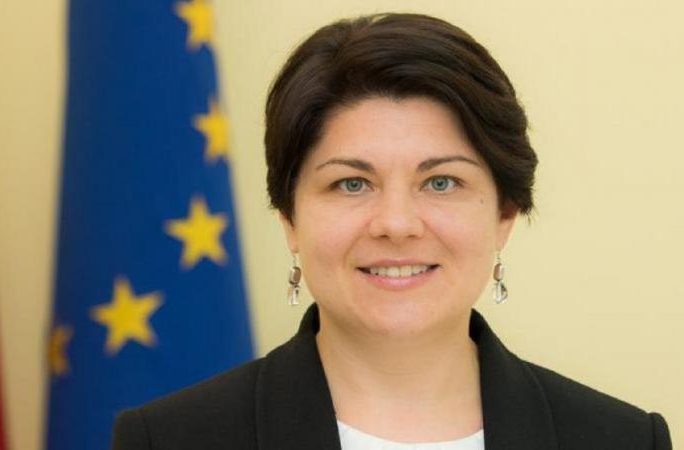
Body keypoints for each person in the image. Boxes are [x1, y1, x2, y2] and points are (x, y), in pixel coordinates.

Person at [111, 13, 672, 450]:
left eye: (442, 182)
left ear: (505, 214)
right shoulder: (170, 440)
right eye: (352, 184)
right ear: (289, 218)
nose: (396, 225)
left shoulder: (623, 440)